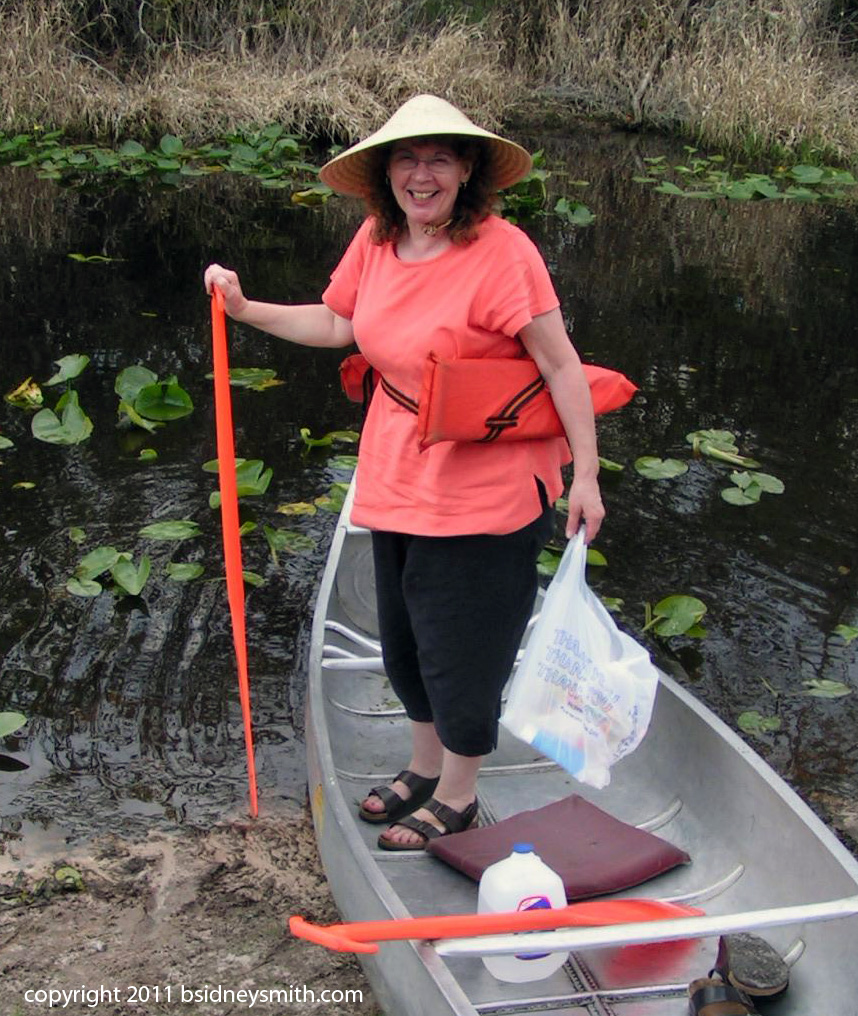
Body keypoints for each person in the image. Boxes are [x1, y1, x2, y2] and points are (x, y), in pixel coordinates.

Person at [204, 94, 604, 851]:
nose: (422, 175)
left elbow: (561, 365)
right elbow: (338, 322)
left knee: (462, 647)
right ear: (385, 174)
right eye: (407, 160)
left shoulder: (504, 251)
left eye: (440, 160)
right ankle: (425, 765)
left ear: (467, 172)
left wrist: (586, 475)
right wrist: (245, 307)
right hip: (397, 473)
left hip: (486, 486)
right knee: (404, 639)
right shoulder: (377, 240)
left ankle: (458, 793)